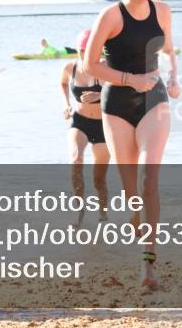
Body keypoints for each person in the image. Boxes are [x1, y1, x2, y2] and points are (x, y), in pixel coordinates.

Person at [84, 0, 180, 289]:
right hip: (117, 104)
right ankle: (136, 219)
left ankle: (148, 265)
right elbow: (89, 65)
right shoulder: (110, 16)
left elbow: (168, 50)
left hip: (154, 97)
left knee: (148, 178)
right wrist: (129, 80)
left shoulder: (164, 12)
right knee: (131, 193)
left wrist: (174, 77)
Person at [60, 29, 110, 228]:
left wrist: (100, 96)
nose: (83, 55)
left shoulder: (105, 68)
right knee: (75, 159)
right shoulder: (70, 67)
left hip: (103, 126)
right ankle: (78, 212)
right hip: (80, 121)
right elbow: (63, 84)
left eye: (87, 51)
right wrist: (65, 104)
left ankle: (103, 215)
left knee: (99, 178)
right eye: (80, 50)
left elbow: (122, 89)